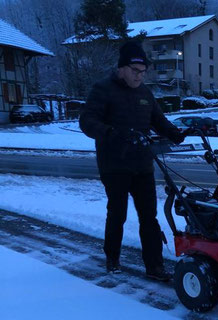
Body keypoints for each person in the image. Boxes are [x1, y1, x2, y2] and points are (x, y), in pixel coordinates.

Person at [79, 41, 191, 281]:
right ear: (122, 68)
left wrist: (175, 133)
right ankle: (112, 258)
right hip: (114, 165)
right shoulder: (103, 89)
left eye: (143, 72)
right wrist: (111, 133)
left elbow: (158, 120)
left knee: (148, 217)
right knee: (117, 213)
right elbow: (87, 122)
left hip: (142, 164)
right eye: (135, 71)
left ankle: (155, 266)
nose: (140, 76)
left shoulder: (144, 93)